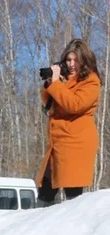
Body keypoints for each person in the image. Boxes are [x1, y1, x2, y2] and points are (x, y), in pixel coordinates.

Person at [36, 38, 102, 206]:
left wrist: (57, 84)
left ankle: (76, 230)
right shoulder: (64, 80)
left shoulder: (91, 81)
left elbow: (74, 105)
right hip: (57, 144)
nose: (72, 64)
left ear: (84, 60)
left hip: (76, 142)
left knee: (73, 193)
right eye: (68, 59)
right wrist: (51, 82)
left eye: (76, 60)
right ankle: (37, 228)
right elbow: (48, 105)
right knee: (45, 189)